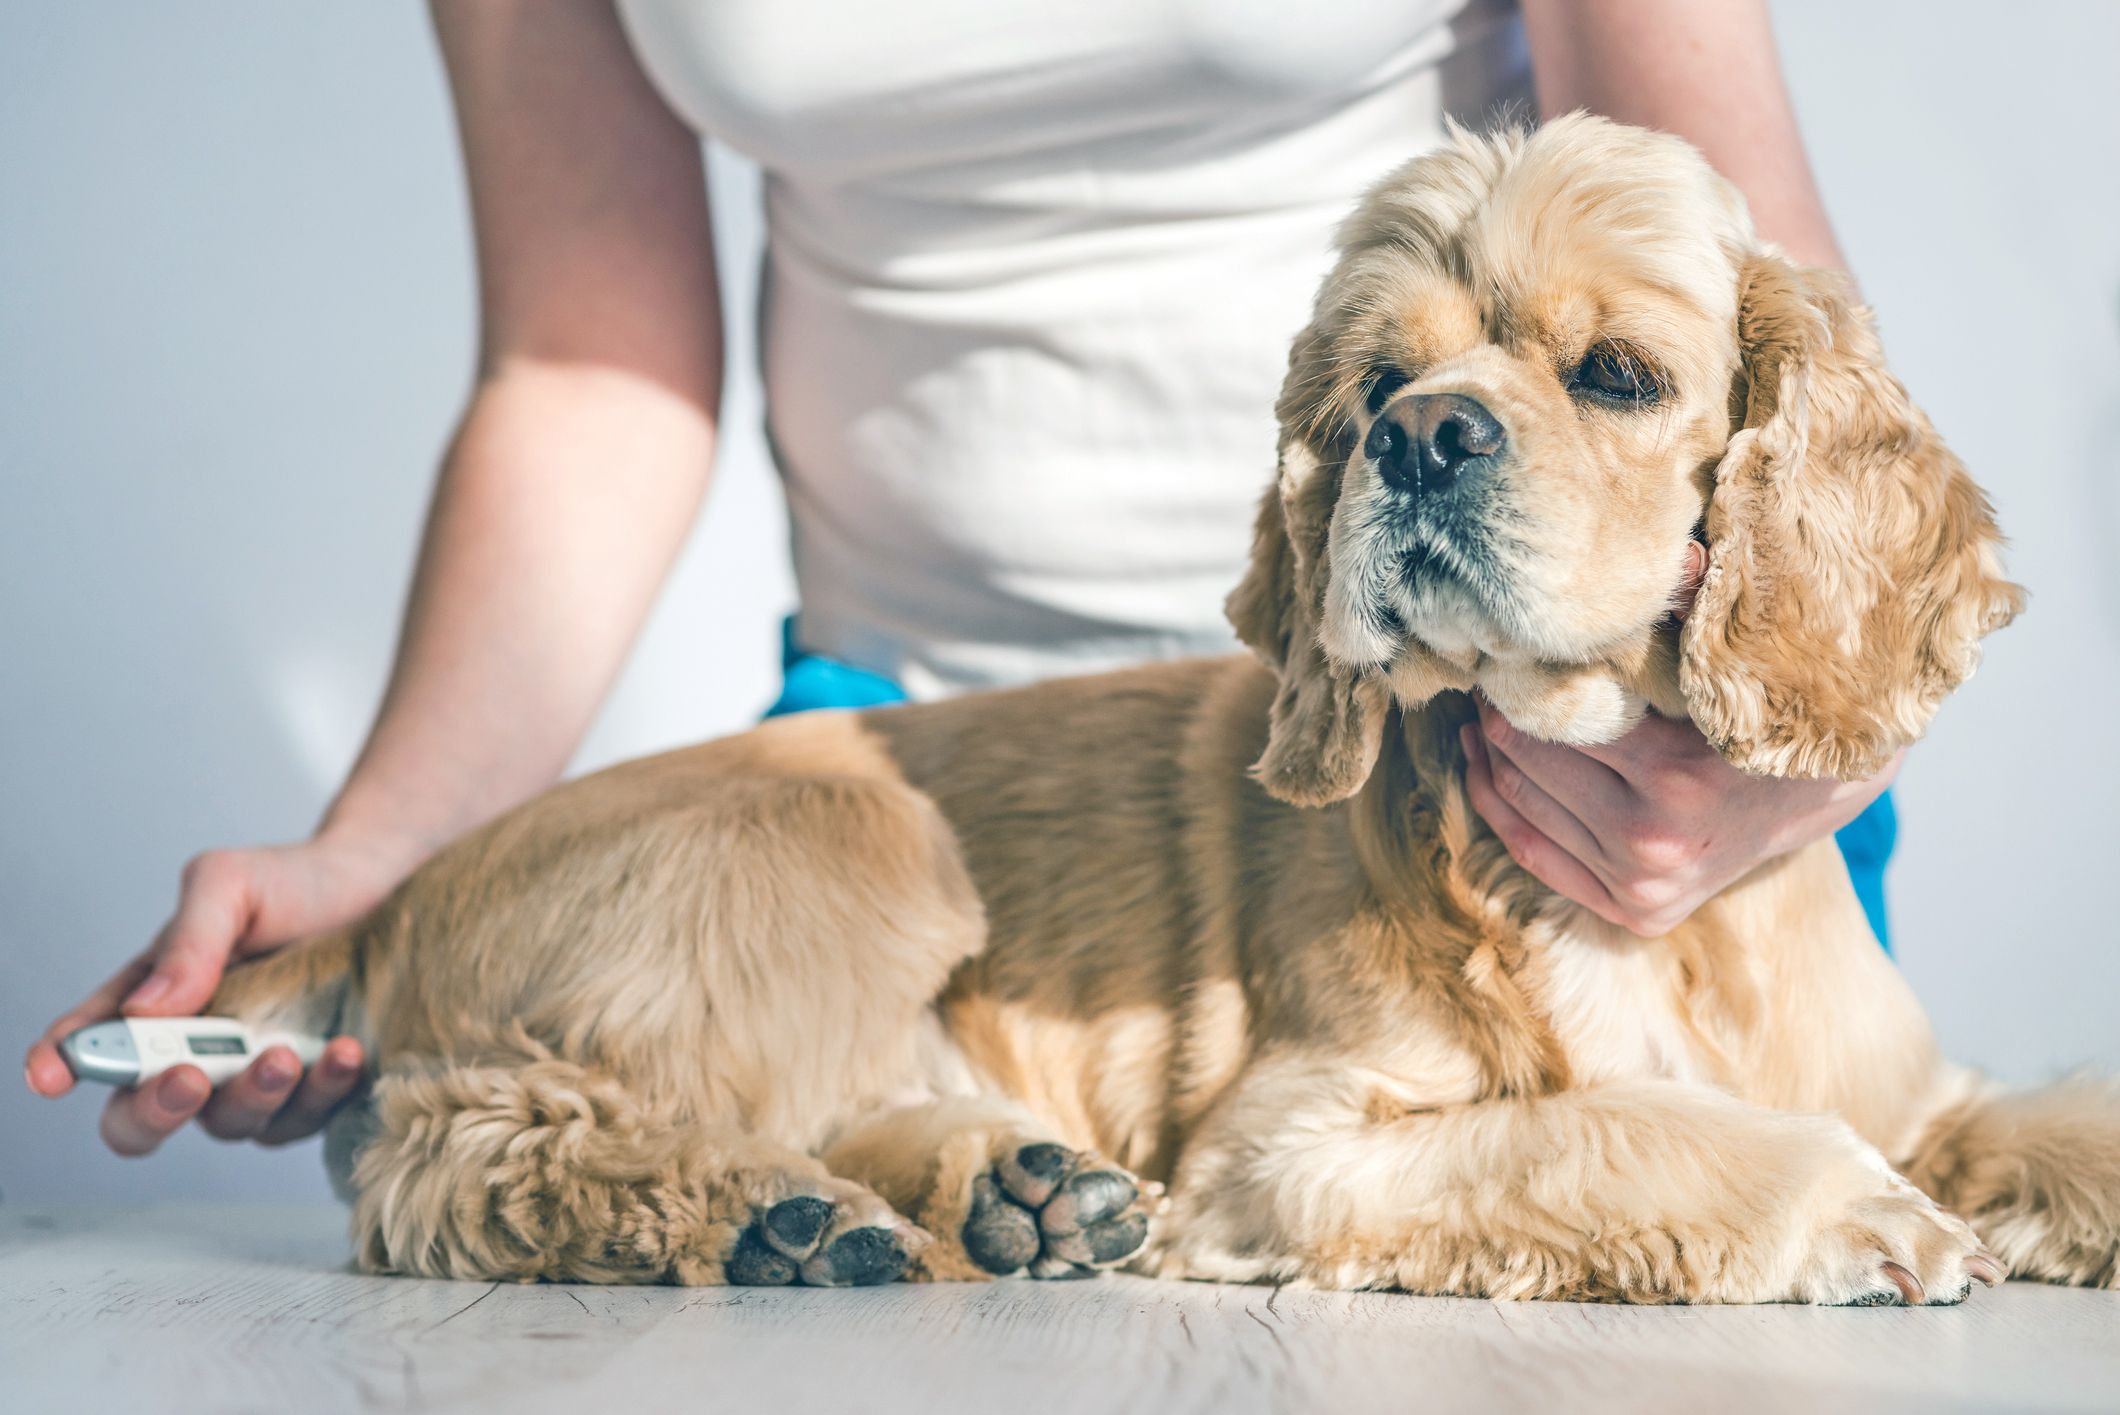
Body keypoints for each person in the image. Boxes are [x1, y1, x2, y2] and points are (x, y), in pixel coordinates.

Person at [26, 0, 1898, 1160]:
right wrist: (387, 853)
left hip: (1521, 768)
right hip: (922, 789)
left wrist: (1811, 745)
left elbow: (1746, 286)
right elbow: (589, 365)